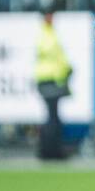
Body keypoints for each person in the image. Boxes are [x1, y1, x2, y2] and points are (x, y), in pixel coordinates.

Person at [34, 11, 71, 161]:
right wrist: (66, 69)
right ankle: (50, 151)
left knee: (52, 117)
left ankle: (49, 150)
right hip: (50, 80)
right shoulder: (48, 36)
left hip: (50, 79)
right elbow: (57, 58)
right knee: (53, 119)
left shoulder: (47, 34)